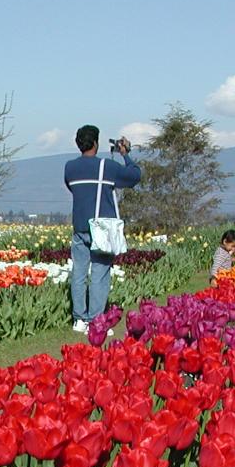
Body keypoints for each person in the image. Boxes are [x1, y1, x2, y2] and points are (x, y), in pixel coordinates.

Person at [64, 125, 141, 333]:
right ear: (96, 143)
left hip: (80, 226)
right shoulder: (107, 167)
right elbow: (134, 176)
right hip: (101, 228)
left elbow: (73, 188)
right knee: (99, 273)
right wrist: (126, 154)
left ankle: (79, 319)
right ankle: (95, 320)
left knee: (79, 272)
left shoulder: (70, 167)